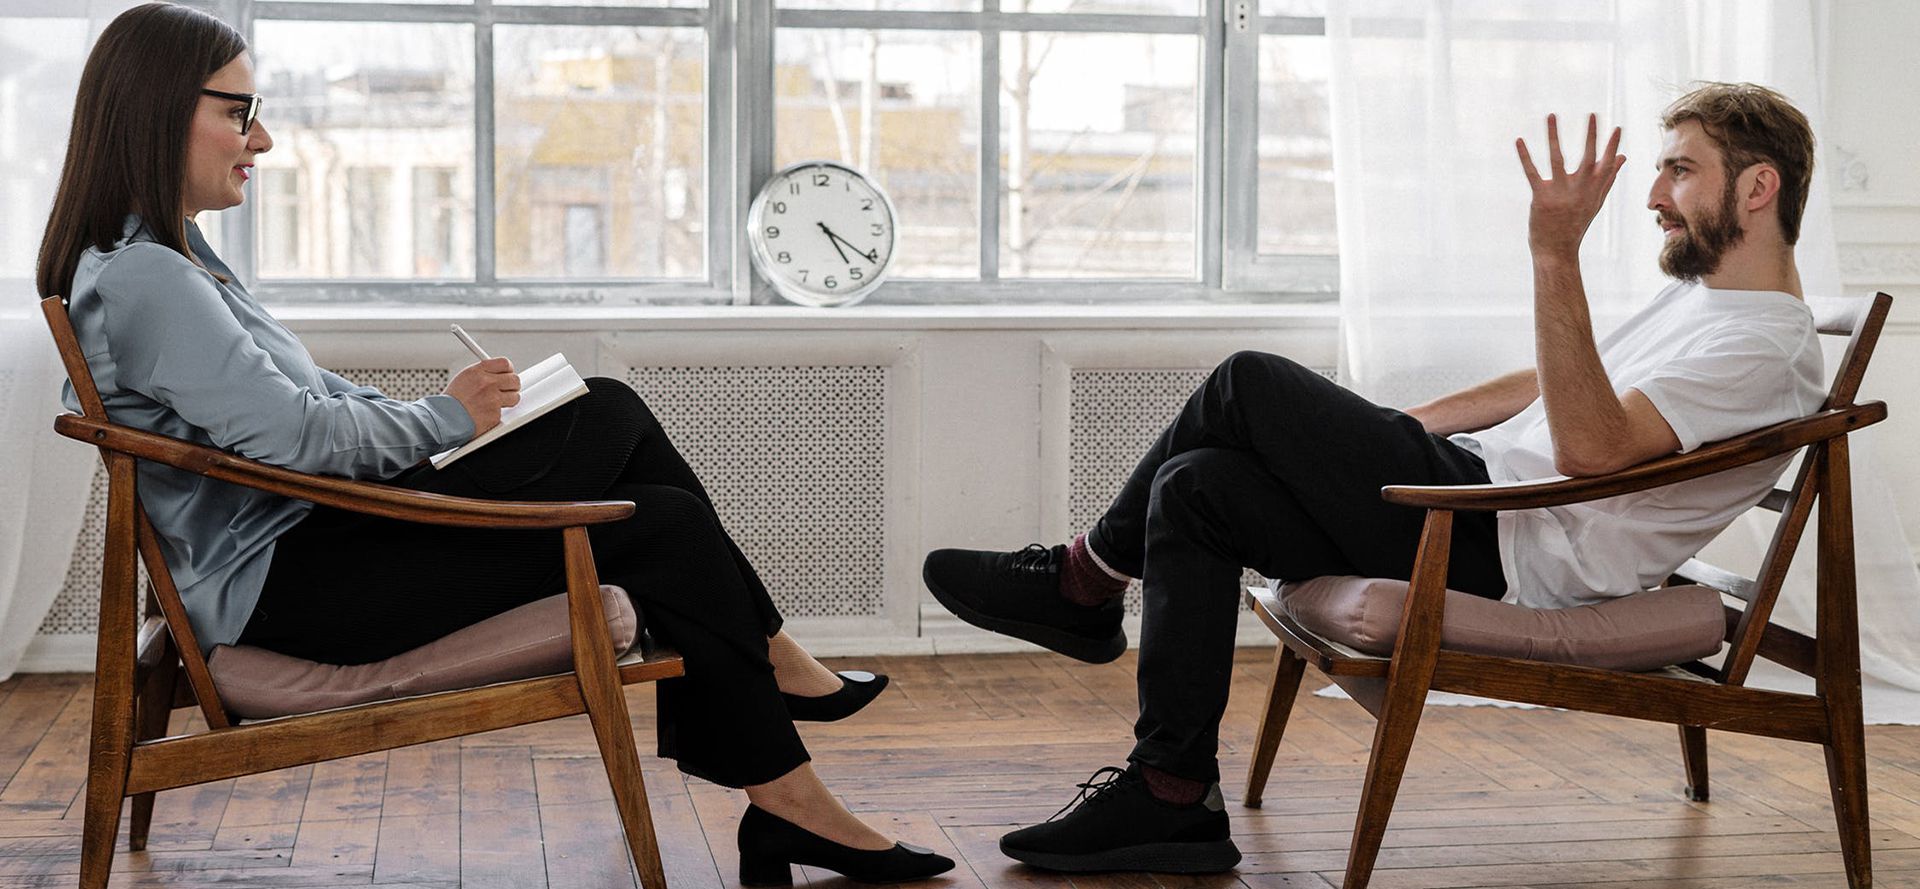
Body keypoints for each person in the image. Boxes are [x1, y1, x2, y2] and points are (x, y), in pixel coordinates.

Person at [35, 4, 951, 883]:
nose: (261, 141)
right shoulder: (150, 276)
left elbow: (302, 403)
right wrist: (447, 420)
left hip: (311, 552)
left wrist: (454, 419)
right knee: (616, 428)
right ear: (159, 110)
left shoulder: (171, 260)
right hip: (294, 587)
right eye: (241, 114)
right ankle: (777, 693)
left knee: (641, 475)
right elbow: (298, 437)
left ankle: (788, 786)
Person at [924, 82, 1826, 873]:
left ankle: (1083, 582)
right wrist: (1395, 431)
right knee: (1196, 483)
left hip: (1504, 545)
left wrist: (1554, 254)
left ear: (1757, 186)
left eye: (1679, 171)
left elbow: (1591, 448)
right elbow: (1554, 380)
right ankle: (1171, 792)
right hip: (1477, 496)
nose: (1655, 197)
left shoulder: (1762, 347)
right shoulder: (1706, 303)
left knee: (1248, 379)